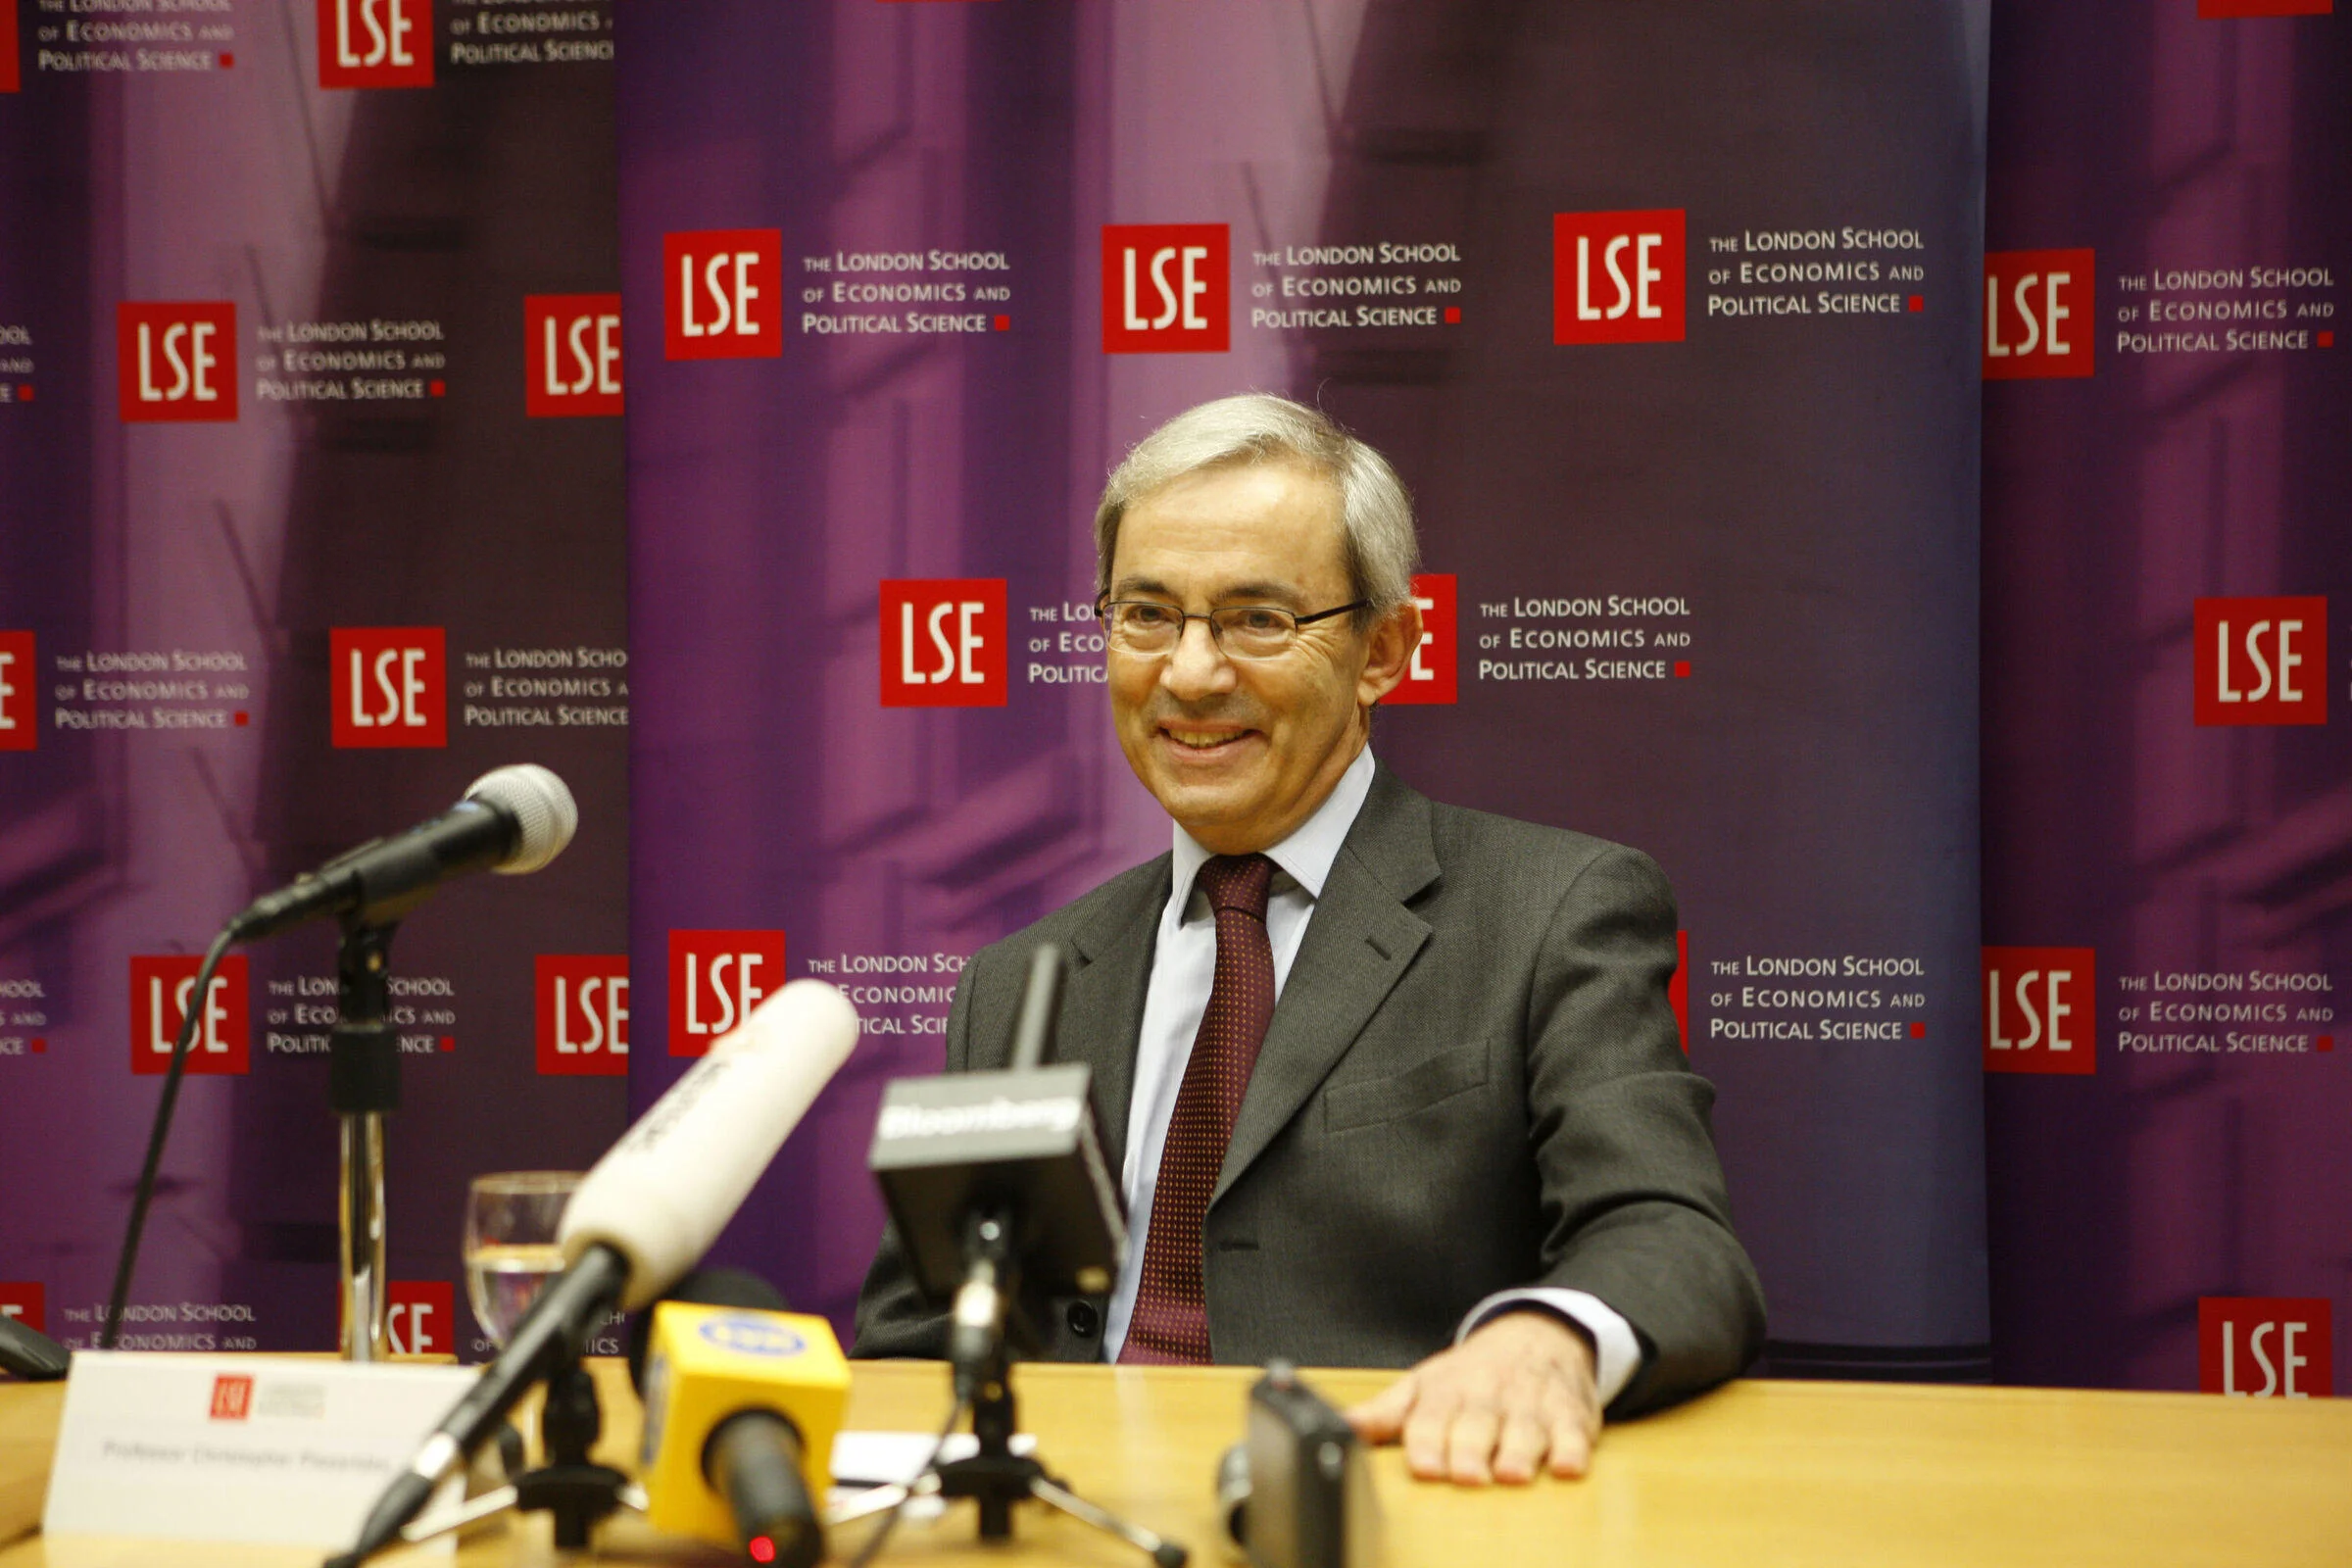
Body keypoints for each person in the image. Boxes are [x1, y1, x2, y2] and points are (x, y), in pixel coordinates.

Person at [855, 393, 1764, 1484]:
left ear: (1384, 648)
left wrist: (1547, 1339)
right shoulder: (1019, 982)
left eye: (1256, 619)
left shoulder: (1550, 911)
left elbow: (1672, 1236)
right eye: (1147, 614)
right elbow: (915, 1343)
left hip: (1384, 1509)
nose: (1190, 673)